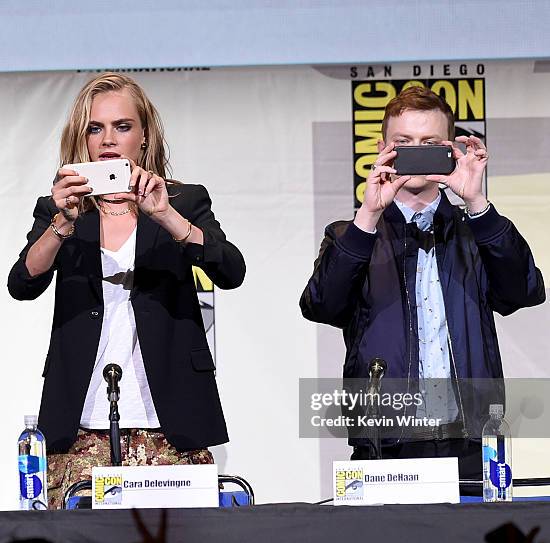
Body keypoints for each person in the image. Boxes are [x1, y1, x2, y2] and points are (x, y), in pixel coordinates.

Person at [8, 73, 245, 508]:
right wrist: (63, 223)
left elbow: (230, 270)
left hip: (170, 420)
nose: (108, 140)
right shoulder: (60, 208)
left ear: (144, 134)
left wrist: (166, 215)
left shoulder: (184, 200)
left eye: (122, 126)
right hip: (82, 422)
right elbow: (23, 283)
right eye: (95, 128)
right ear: (82, 138)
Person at [300, 86, 545, 484]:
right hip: (384, 443)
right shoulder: (353, 233)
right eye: (404, 143)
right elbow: (321, 305)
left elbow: (524, 291)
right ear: (382, 149)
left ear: (450, 151)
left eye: (429, 143)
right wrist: (368, 215)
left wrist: (477, 204)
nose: (416, 153)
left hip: (470, 438)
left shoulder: (476, 230)